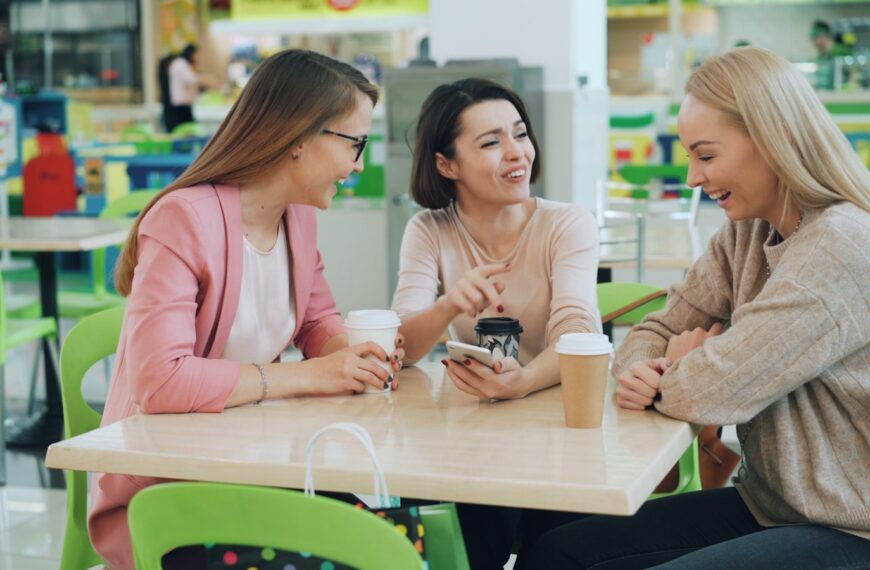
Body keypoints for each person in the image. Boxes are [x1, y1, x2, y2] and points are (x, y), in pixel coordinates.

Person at [517, 47, 870, 569]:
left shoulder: (840, 245)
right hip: (770, 506)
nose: (692, 178)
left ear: (774, 140)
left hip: (848, 525)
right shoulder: (746, 231)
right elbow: (654, 329)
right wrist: (660, 365)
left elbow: (717, 389)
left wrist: (677, 371)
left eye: (705, 156)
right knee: (557, 551)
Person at [88, 49, 405, 570]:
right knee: (358, 549)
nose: (359, 164)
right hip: (167, 492)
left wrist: (354, 355)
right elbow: (160, 382)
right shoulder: (183, 219)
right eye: (356, 143)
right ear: (300, 137)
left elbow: (314, 322)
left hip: (252, 463)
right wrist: (308, 378)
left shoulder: (297, 218)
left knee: (392, 528)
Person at [391, 78, 601, 568]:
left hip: (558, 429)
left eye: (520, 134)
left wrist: (524, 381)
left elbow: (579, 329)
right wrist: (447, 308)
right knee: (458, 540)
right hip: (474, 434)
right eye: (491, 142)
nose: (517, 153)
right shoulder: (429, 229)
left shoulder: (566, 223)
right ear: (447, 164)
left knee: (553, 551)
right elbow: (401, 345)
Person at [166, 43, 200, 132]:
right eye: (196, 54)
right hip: (181, 105)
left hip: (182, 104)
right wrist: (206, 79)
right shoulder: (181, 64)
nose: (197, 57)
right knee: (186, 131)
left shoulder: (180, 64)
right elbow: (191, 80)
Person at [811, 20, 852, 90]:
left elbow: (854, 73)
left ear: (823, 36)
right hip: (825, 95)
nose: (812, 41)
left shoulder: (841, 51)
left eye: (815, 37)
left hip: (841, 95)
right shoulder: (821, 56)